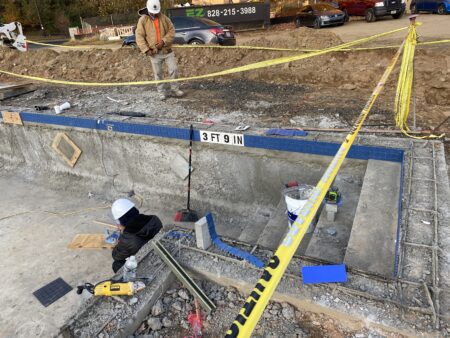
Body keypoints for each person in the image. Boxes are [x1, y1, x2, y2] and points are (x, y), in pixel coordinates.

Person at [136, 0, 184, 101]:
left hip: (167, 51)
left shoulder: (164, 18)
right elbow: (139, 36)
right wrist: (146, 49)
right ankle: (161, 92)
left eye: (156, 11)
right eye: (153, 12)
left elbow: (172, 31)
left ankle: (175, 89)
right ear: (148, 9)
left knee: (173, 69)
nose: (155, 13)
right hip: (154, 53)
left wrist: (163, 41)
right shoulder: (143, 20)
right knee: (157, 73)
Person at [111, 198, 162, 273]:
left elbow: (116, 256)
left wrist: (122, 235)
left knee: (116, 265)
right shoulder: (155, 219)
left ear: (121, 221)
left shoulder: (127, 239)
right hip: (159, 251)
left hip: (148, 262)